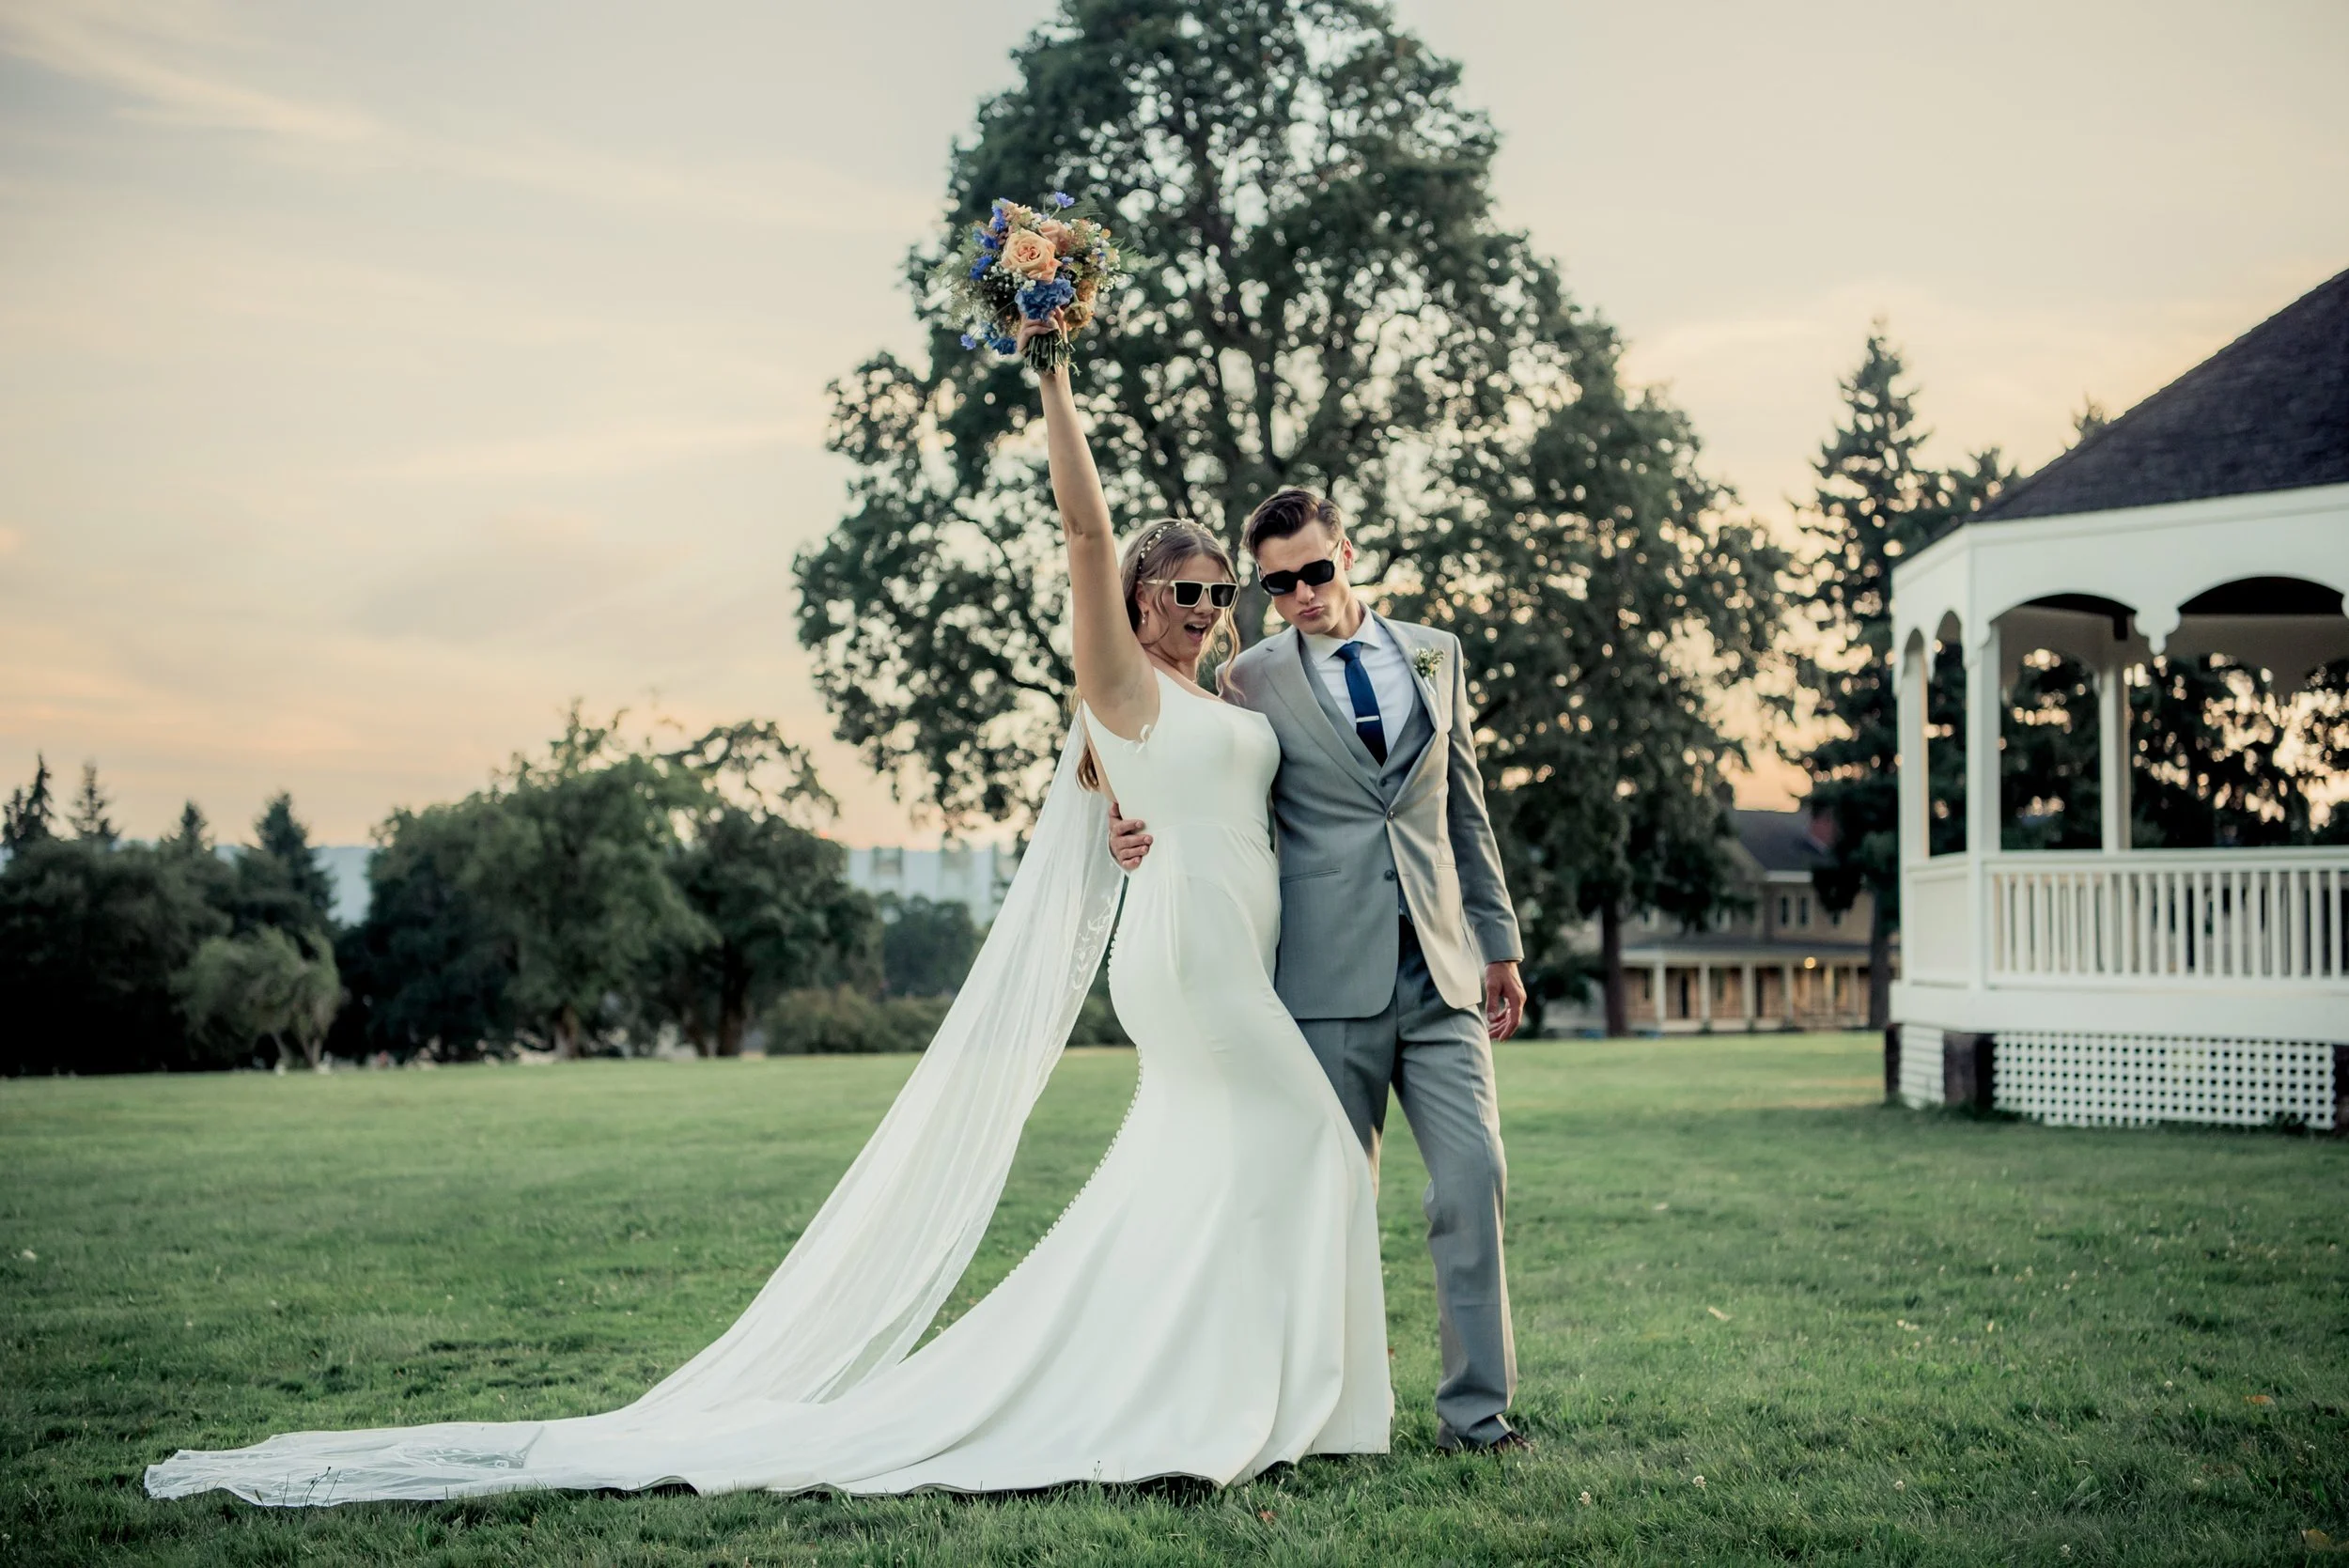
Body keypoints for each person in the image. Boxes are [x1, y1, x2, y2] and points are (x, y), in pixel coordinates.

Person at [144, 308, 1391, 1506]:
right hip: (1187, 962)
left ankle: (1219, 1394)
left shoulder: (1231, 692)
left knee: (1211, 1171)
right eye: (1185, 592)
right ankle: (1252, 1404)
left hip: (1233, 941)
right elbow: (1080, 534)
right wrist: (1053, 373)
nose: (1208, 609)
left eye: (1222, 591)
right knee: (1314, 1143)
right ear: (1134, 604)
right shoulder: (1121, 689)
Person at [1109, 485, 1530, 1452]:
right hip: (1321, 981)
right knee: (1326, 1204)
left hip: (1441, 969)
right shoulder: (1248, 678)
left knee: (1472, 1179)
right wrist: (1120, 817)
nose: (1299, 593)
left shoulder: (1435, 653)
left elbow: (1462, 803)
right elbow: (1164, 744)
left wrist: (1497, 941)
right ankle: (1324, 1412)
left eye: (1314, 570)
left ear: (1347, 553)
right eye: (1275, 583)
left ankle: (1477, 1414)